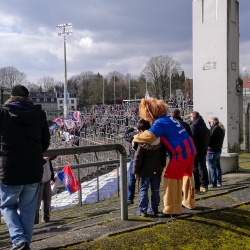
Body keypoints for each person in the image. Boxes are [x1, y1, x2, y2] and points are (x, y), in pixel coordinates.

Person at [0, 85, 50, 250]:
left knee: (8, 206)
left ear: (11, 97)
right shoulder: (39, 114)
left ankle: (18, 240)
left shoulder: (3, 113)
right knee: (28, 210)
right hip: (33, 168)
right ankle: (23, 245)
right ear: (28, 97)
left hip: (9, 169)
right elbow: (45, 143)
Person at [133, 98, 196, 216]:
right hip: (190, 149)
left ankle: (172, 209)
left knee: (170, 178)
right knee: (187, 176)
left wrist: (135, 138)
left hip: (180, 153)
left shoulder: (160, 122)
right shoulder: (169, 118)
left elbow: (149, 136)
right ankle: (189, 202)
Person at [133, 119, 166, 217]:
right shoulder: (159, 140)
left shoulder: (142, 142)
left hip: (144, 171)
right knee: (155, 190)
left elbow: (137, 158)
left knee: (144, 190)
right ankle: (154, 209)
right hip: (156, 169)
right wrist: (162, 166)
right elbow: (163, 155)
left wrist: (136, 171)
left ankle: (143, 210)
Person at [190, 111, 210, 193]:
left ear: (193, 117)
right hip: (203, 149)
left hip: (196, 149)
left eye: (191, 117)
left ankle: (197, 187)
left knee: (195, 168)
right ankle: (204, 185)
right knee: (203, 167)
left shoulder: (194, 125)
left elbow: (192, 138)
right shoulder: (204, 125)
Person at [35, 156, 56, 224]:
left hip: (47, 178)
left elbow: (54, 156)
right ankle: (35, 221)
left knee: (47, 200)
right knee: (37, 202)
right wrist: (43, 160)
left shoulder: (45, 148)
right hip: (38, 180)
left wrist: (51, 155)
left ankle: (46, 219)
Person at [207, 117, 225, 188]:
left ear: (213, 122)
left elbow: (210, 139)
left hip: (212, 151)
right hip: (218, 150)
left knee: (212, 167)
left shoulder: (214, 129)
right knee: (217, 167)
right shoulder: (220, 128)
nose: (209, 123)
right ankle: (218, 181)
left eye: (210, 122)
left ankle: (213, 183)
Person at [123, 126, 138, 205]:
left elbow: (125, 135)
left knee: (132, 180)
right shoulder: (148, 135)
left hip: (134, 159)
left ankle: (130, 198)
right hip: (144, 159)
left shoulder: (133, 135)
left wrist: (132, 128)